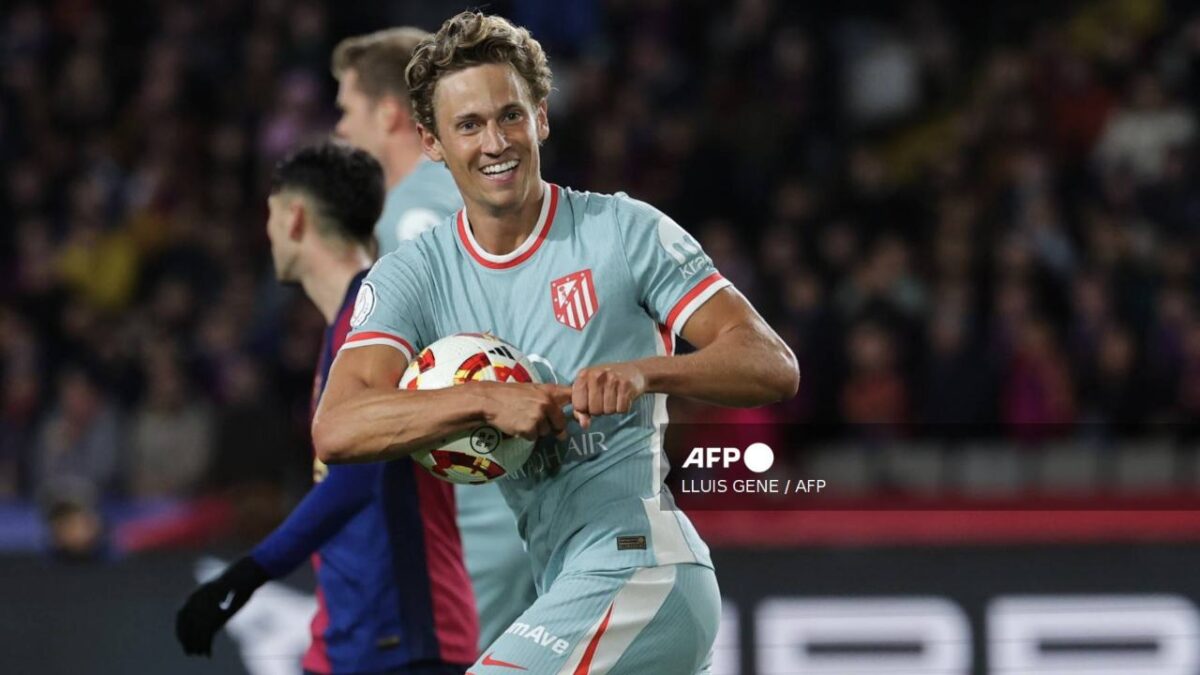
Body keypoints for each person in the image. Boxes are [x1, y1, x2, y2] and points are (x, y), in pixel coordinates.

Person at [314, 12, 798, 673]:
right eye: (469, 125)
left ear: (541, 117)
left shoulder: (623, 231)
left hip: (643, 564)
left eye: (510, 115)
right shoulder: (412, 273)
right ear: (431, 141)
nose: (495, 142)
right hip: (559, 578)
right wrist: (482, 400)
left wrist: (645, 372)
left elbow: (771, 363)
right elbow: (337, 427)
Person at [176, 143, 477, 674]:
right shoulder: (347, 325)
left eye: (270, 216)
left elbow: (358, 479)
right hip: (350, 638)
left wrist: (248, 572)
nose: (267, 233)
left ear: (294, 219)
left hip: (404, 636)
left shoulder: (378, 321)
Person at [329, 27, 537, 651]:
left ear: (388, 114)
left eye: (346, 110)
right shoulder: (482, 195)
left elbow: (474, 353)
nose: (340, 130)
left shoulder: (411, 217)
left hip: (478, 501)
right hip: (525, 500)